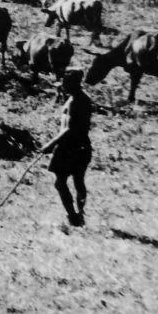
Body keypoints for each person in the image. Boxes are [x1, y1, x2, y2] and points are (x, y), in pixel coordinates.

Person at [41, 69, 93, 226]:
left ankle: (74, 216)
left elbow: (69, 129)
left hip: (71, 148)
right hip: (79, 147)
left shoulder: (76, 101)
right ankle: (78, 215)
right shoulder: (78, 99)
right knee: (78, 182)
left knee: (63, 183)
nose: (62, 85)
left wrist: (51, 144)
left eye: (65, 82)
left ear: (72, 83)